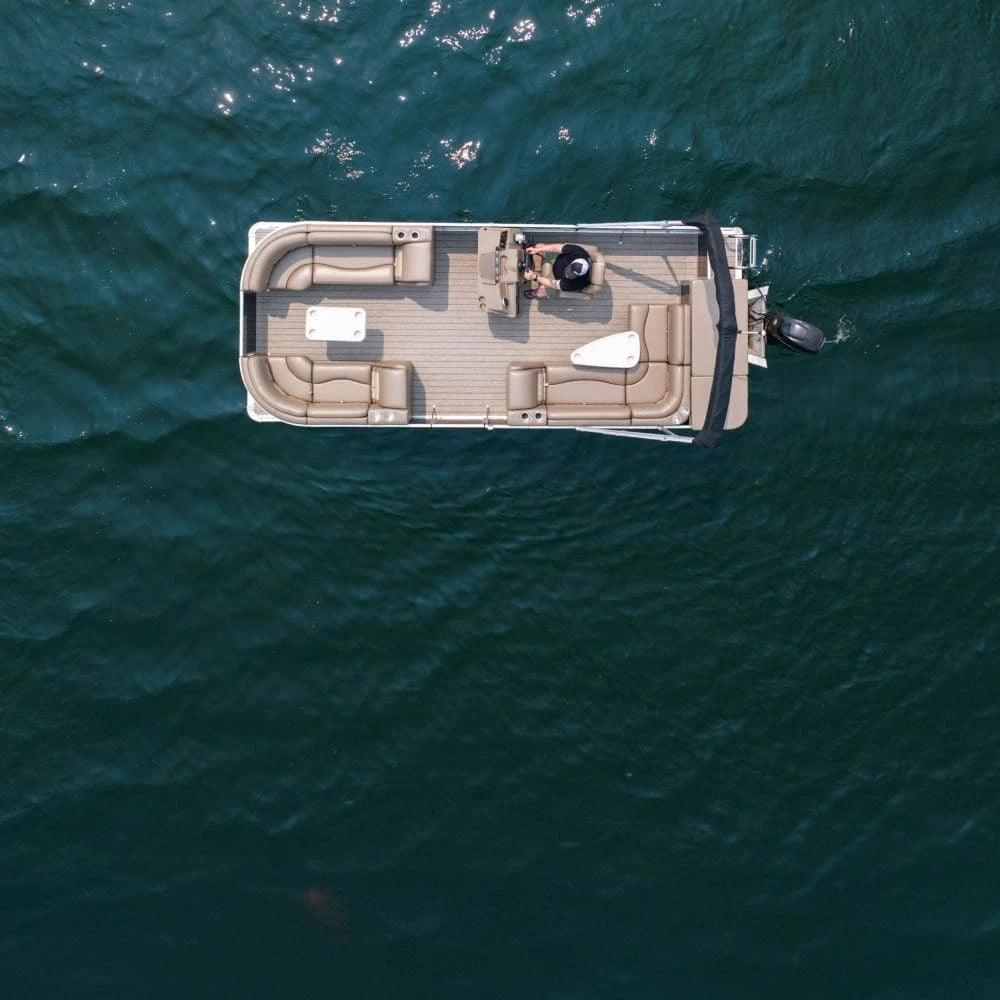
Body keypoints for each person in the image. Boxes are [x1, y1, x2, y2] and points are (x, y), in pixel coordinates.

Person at [523, 242, 592, 298]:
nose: (567, 273)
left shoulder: (578, 283)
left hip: (556, 278)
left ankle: (534, 293)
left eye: (571, 274)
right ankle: (531, 249)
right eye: (569, 270)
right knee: (538, 246)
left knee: (539, 293)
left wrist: (535, 277)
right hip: (556, 258)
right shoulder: (578, 252)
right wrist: (537, 250)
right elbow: (556, 247)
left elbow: (554, 284)